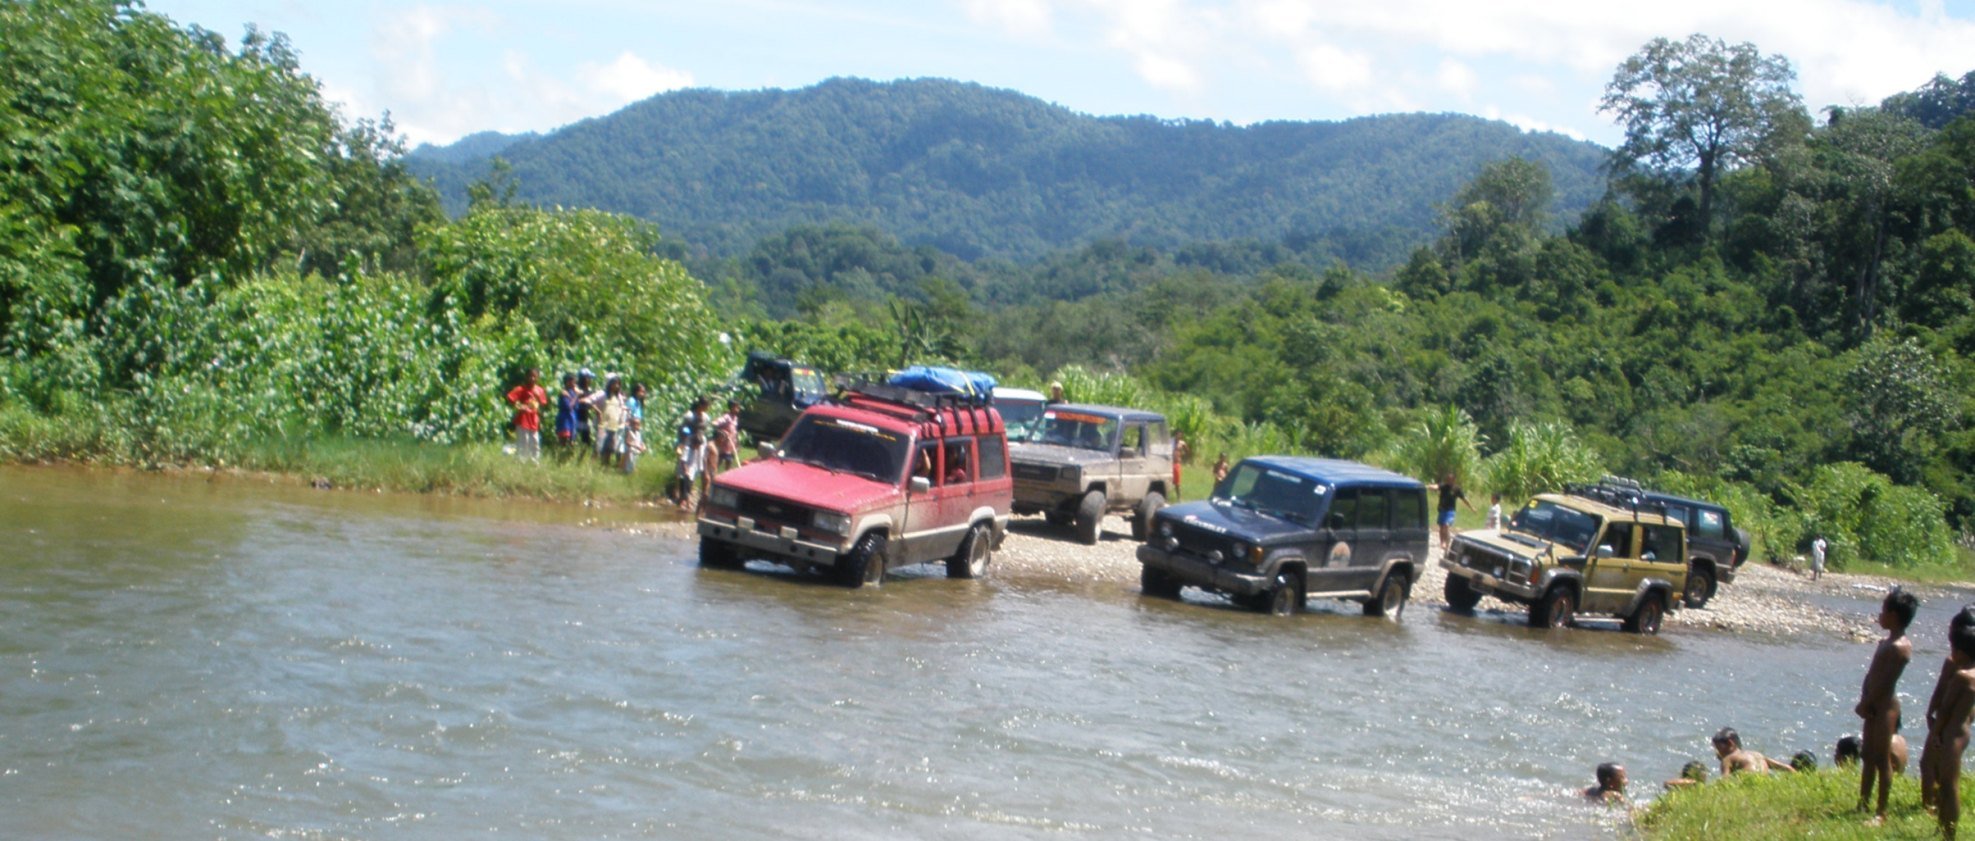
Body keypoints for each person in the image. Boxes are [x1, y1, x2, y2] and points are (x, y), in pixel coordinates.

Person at [1858, 586, 1920, 821]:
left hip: (1885, 707)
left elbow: (1886, 681)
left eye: (1883, 611)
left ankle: (1881, 811)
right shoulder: (1886, 642)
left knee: (1882, 758)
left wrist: (1869, 701)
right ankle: (1862, 802)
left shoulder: (1900, 647)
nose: (1880, 615)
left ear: (1893, 615)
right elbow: (1872, 674)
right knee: (1868, 755)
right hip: (1872, 703)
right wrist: (1864, 698)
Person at [1925, 615, 1975, 840]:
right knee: (1947, 783)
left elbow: (1944, 710)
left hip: (1950, 734)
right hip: (1963, 731)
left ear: (1961, 652)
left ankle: (1950, 833)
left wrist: (1935, 734)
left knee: (1949, 784)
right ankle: (1944, 826)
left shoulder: (1962, 676)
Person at [504, 368, 547, 461]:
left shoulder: (539, 390)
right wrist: (520, 406)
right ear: (526, 377)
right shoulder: (521, 389)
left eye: (534, 376)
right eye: (530, 376)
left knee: (535, 441)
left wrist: (537, 404)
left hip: (533, 419)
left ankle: (535, 461)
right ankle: (521, 462)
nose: (532, 378)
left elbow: (543, 403)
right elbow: (510, 398)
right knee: (524, 441)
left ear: (538, 377)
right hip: (523, 419)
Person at [1712, 727, 1794, 775]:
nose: (1717, 752)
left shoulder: (1728, 759)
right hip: (1763, 783)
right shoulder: (1757, 755)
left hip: (1748, 784)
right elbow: (1788, 768)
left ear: (1730, 744)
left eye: (1718, 748)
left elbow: (1725, 782)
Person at [593, 377, 629, 469]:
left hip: (614, 426)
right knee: (599, 447)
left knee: (609, 448)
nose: (616, 386)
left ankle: (605, 466)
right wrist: (598, 412)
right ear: (610, 384)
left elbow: (621, 407)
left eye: (618, 384)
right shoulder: (603, 394)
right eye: (614, 383)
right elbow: (591, 402)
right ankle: (592, 465)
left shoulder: (619, 397)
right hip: (603, 425)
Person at [1434, 474, 1477, 549]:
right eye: (1447, 479)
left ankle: (1447, 543)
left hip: (1450, 511)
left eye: (1450, 479)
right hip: (1442, 509)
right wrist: (1427, 486)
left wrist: (1471, 508)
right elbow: (1436, 486)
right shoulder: (1443, 486)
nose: (1449, 481)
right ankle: (1442, 542)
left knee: (1446, 526)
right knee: (1441, 527)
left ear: (1454, 480)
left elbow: (1464, 499)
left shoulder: (1457, 489)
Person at [573, 369, 600, 456]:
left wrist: (596, 409)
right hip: (576, 416)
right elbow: (573, 401)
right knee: (574, 439)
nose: (589, 380)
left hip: (585, 417)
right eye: (588, 378)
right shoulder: (576, 389)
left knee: (586, 441)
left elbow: (591, 402)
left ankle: (580, 458)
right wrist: (582, 400)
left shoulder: (589, 390)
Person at [622, 384, 647, 474]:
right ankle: (625, 469)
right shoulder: (631, 401)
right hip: (631, 428)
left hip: (636, 427)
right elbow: (628, 415)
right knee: (629, 449)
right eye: (642, 391)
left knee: (635, 450)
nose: (643, 394)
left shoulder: (638, 402)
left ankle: (631, 468)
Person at [713, 399, 741, 473]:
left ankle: (726, 477)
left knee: (729, 462)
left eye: (738, 407)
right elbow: (717, 423)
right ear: (731, 407)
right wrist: (723, 431)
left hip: (731, 446)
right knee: (717, 463)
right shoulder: (727, 417)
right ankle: (712, 478)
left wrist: (737, 443)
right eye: (736, 407)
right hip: (723, 446)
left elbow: (734, 431)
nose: (738, 409)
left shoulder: (735, 418)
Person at [554, 373, 581, 451]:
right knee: (564, 439)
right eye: (573, 382)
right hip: (565, 419)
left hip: (572, 418)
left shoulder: (572, 392)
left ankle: (567, 457)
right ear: (568, 382)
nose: (575, 384)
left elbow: (576, 406)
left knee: (572, 440)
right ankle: (560, 456)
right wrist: (577, 395)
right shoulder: (564, 393)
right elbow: (569, 406)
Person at [1171, 432, 1188, 501]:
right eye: (1178, 434)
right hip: (1170, 462)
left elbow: (1188, 451)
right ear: (1175, 435)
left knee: (1177, 482)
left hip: (1177, 463)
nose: (1179, 436)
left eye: (1180, 435)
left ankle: (1179, 498)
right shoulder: (1170, 441)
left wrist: (1182, 456)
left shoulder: (1182, 443)